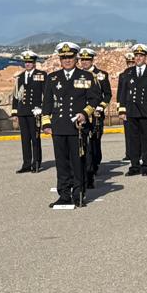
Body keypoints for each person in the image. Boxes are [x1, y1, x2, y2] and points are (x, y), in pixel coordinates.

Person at [41, 42, 102, 208]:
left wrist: (84, 113)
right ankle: (64, 194)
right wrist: (46, 122)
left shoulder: (87, 76)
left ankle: (78, 194)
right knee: (61, 163)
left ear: (76, 58)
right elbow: (46, 102)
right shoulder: (53, 77)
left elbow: (94, 99)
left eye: (70, 57)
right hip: (59, 126)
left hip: (77, 127)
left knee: (77, 162)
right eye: (63, 57)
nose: (67, 60)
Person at [117, 44, 147, 176]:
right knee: (133, 140)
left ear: (145, 57)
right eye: (136, 56)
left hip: (146, 111)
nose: (138, 58)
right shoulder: (128, 73)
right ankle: (134, 165)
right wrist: (122, 110)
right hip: (132, 111)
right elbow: (123, 94)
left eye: (141, 56)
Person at [77, 47, 111, 185]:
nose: (84, 62)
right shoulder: (78, 74)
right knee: (83, 145)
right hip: (82, 115)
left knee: (94, 144)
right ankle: (87, 171)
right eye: (82, 60)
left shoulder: (101, 75)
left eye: (87, 60)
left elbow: (107, 94)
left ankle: (94, 166)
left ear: (92, 60)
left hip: (95, 115)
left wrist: (100, 107)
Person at [12, 50, 45, 173]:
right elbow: (16, 95)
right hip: (22, 112)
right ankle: (26, 164)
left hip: (35, 112)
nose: (28, 64)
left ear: (34, 63)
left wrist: (42, 109)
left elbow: (46, 94)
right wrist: (15, 112)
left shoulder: (41, 75)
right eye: (26, 62)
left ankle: (36, 163)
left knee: (35, 138)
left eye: (30, 62)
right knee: (25, 139)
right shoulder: (20, 77)